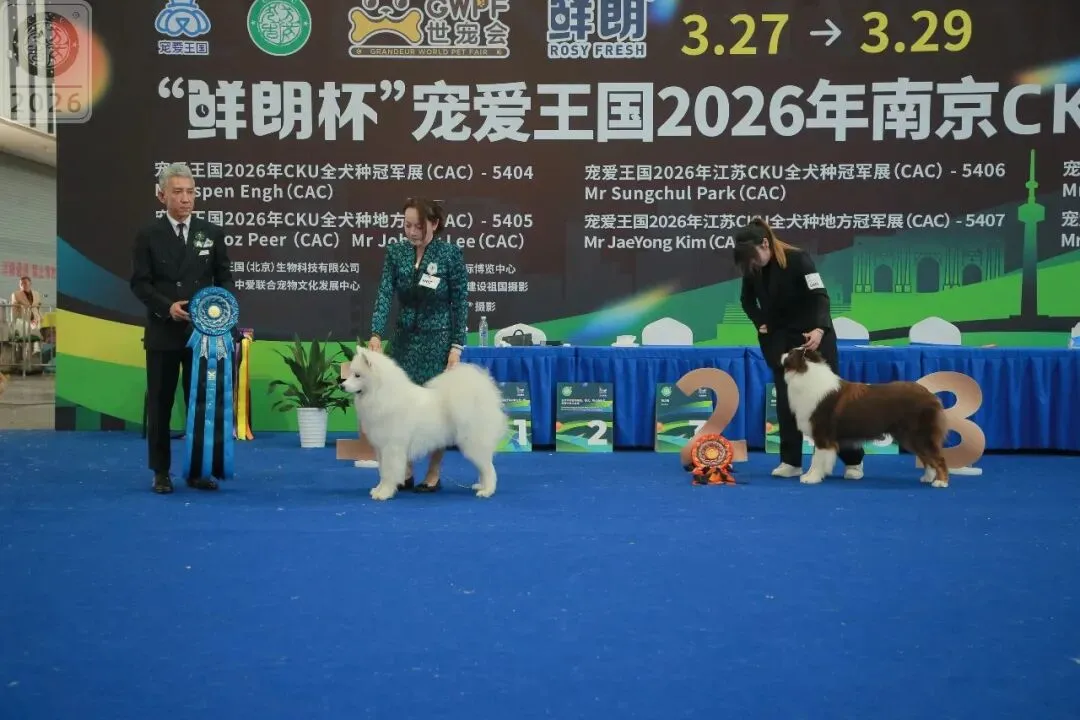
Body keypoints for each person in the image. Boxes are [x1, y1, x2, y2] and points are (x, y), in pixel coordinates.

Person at [130, 162, 236, 494]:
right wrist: (166, 307)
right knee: (160, 404)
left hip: (202, 336)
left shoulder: (211, 233)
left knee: (200, 405)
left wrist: (221, 314)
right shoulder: (148, 235)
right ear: (162, 195)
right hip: (163, 332)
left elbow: (225, 279)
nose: (186, 199)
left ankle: (198, 470)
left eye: (190, 192)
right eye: (177, 192)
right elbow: (140, 283)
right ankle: (161, 471)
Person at [733, 217, 865, 480]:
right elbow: (747, 301)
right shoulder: (753, 268)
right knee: (786, 402)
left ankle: (853, 460)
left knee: (829, 404)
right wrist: (760, 321)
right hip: (779, 342)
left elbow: (820, 296)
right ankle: (791, 462)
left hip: (812, 339)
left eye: (754, 257)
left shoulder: (798, 259)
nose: (752, 264)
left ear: (765, 244)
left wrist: (819, 329)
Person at [368, 197, 469, 493]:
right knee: (399, 407)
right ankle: (406, 469)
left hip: (437, 341)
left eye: (418, 226)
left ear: (434, 224)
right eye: (407, 225)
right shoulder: (396, 252)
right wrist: (376, 333)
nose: (411, 232)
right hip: (403, 341)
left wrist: (456, 347)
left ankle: (433, 472)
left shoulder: (449, 254)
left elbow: (460, 302)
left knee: (436, 410)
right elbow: (384, 293)